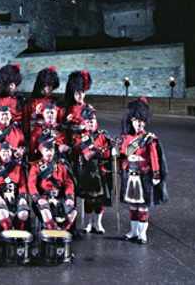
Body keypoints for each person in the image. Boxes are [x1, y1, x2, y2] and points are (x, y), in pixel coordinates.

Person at [118, 97, 168, 244]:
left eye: (141, 121)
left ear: (144, 122)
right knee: (133, 206)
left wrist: (156, 174)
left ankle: (142, 233)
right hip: (131, 174)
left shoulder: (149, 138)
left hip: (144, 175)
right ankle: (133, 231)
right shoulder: (126, 138)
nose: (138, 124)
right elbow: (123, 155)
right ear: (131, 121)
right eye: (135, 120)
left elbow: (154, 157)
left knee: (143, 206)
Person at [72, 105, 112, 234]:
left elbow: (106, 153)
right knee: (88, 199)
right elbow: (82, 151)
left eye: (92, 121)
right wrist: (94, 152)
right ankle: (89, 223)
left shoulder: (103, 136)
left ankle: (98, 223)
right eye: (88, 121)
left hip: (99, 170)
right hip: (86, 171)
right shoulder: (79, 136)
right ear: (84, 123)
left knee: (99, 199)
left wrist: (97, 153)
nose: (90, 124)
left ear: (96, 122)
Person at [28, 133, 77, 231]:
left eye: (51, 150)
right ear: (42, 152)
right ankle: (53, 230)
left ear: (54, 151)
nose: (49, 153)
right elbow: (31, 184)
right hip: (43, 198)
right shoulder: (36, 166)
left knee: (73, 212)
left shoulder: (61, 166)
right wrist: (38, 199)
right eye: (46, 151)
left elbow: (68, 183)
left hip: (59, 197)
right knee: (46, 212)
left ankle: (62, 230)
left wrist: (69, 198)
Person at [0, 142, 29, 231]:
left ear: (11, 153)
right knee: (2, 213)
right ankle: (9, 231)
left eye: (8, 151)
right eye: (3, 151)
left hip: (15, 195)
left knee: (24, 213)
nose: (6, 154)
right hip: (1, 195)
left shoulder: (18, 166)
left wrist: (22, 198)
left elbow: (22, 185)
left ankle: (19, 233)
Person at [26, 66, 64, 132]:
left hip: (53, 130)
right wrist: (37, 113)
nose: (48, 88)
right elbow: (30, 118)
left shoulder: (58, 101)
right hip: (38, 131)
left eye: (50, 85)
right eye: (45, 85)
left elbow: (60, 121)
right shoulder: (34, 100)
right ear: (42, 86)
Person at [0, 64, 28, 130]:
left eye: (13, 83)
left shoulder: (21, 100)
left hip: (18, 133)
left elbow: (25, 121)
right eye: (10, 83)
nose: (12, 86)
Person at [63, 70, 92, 139]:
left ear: (84, 94)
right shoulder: (69, 108)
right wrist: (67, 121)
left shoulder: (88, 108)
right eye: (77, 94)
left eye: (81, 93)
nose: (80, 96)